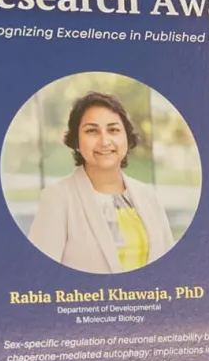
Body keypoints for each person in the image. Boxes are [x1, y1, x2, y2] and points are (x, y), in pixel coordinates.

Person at [27, 90, 176, 273]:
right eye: (91, 131)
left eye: (113, 130)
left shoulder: (148, 196)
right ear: (76, 141)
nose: (105, 141)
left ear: (127, 138)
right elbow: (40, 276)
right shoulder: (57, 198)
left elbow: (171, 269)